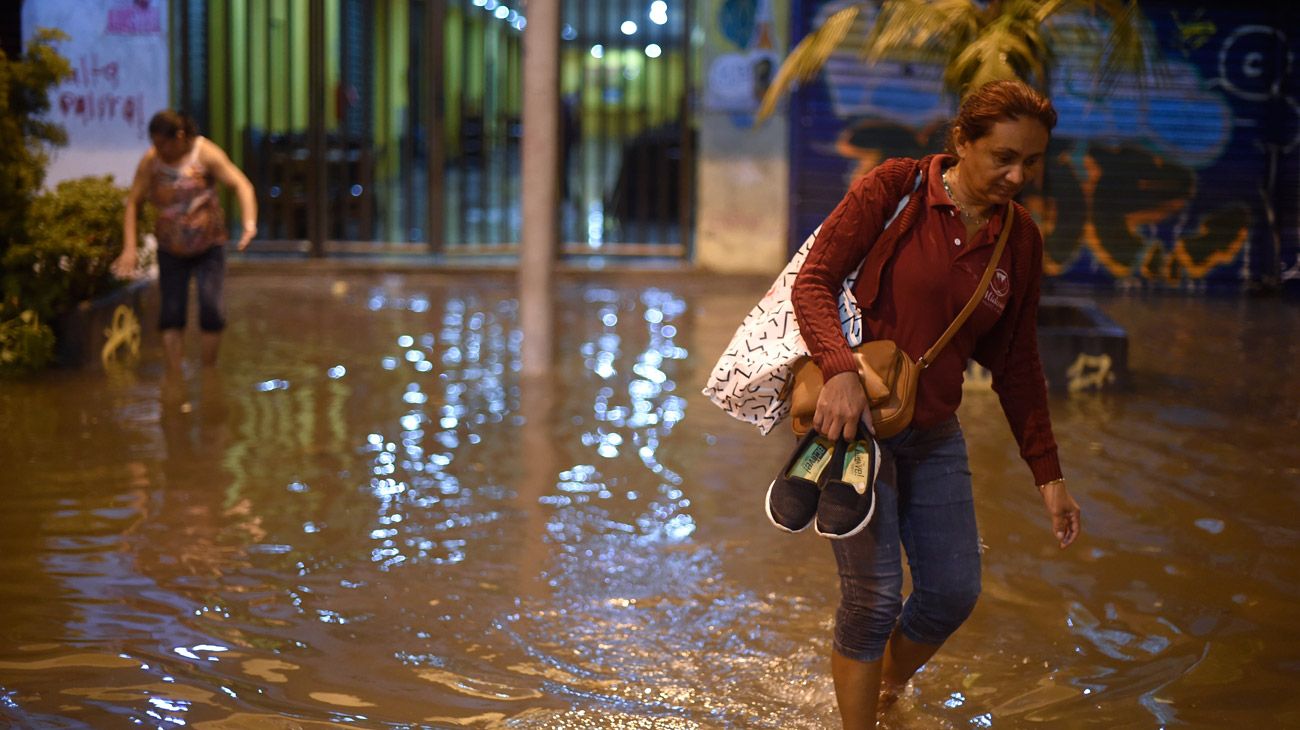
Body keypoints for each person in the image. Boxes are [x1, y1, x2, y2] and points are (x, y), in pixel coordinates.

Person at [789, 79, 1082, 728]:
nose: (1017, 174)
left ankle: (883, 690)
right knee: (873, 599)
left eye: (1031, 162)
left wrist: (1049, 473)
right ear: (961, 143)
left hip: (933, 431)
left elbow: (1016, 362)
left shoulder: (1020, 239)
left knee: (953, 592)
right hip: (856, 426)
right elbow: (814, 281)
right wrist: (838, 371)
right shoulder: (895, 190)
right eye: (1002, 156)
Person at [112, 110, 256, 373]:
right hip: (171, 248)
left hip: (208, 245)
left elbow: (241, 185)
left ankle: (209, 370)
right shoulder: (151, 162)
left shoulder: (206, 153)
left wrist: (249, 224)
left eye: (162, 143)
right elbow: (134, 202)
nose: (159, 150)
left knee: (211, 308)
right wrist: (130, 247)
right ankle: (174, 373)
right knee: (171, 313)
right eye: (154, 144)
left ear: (179, 136)